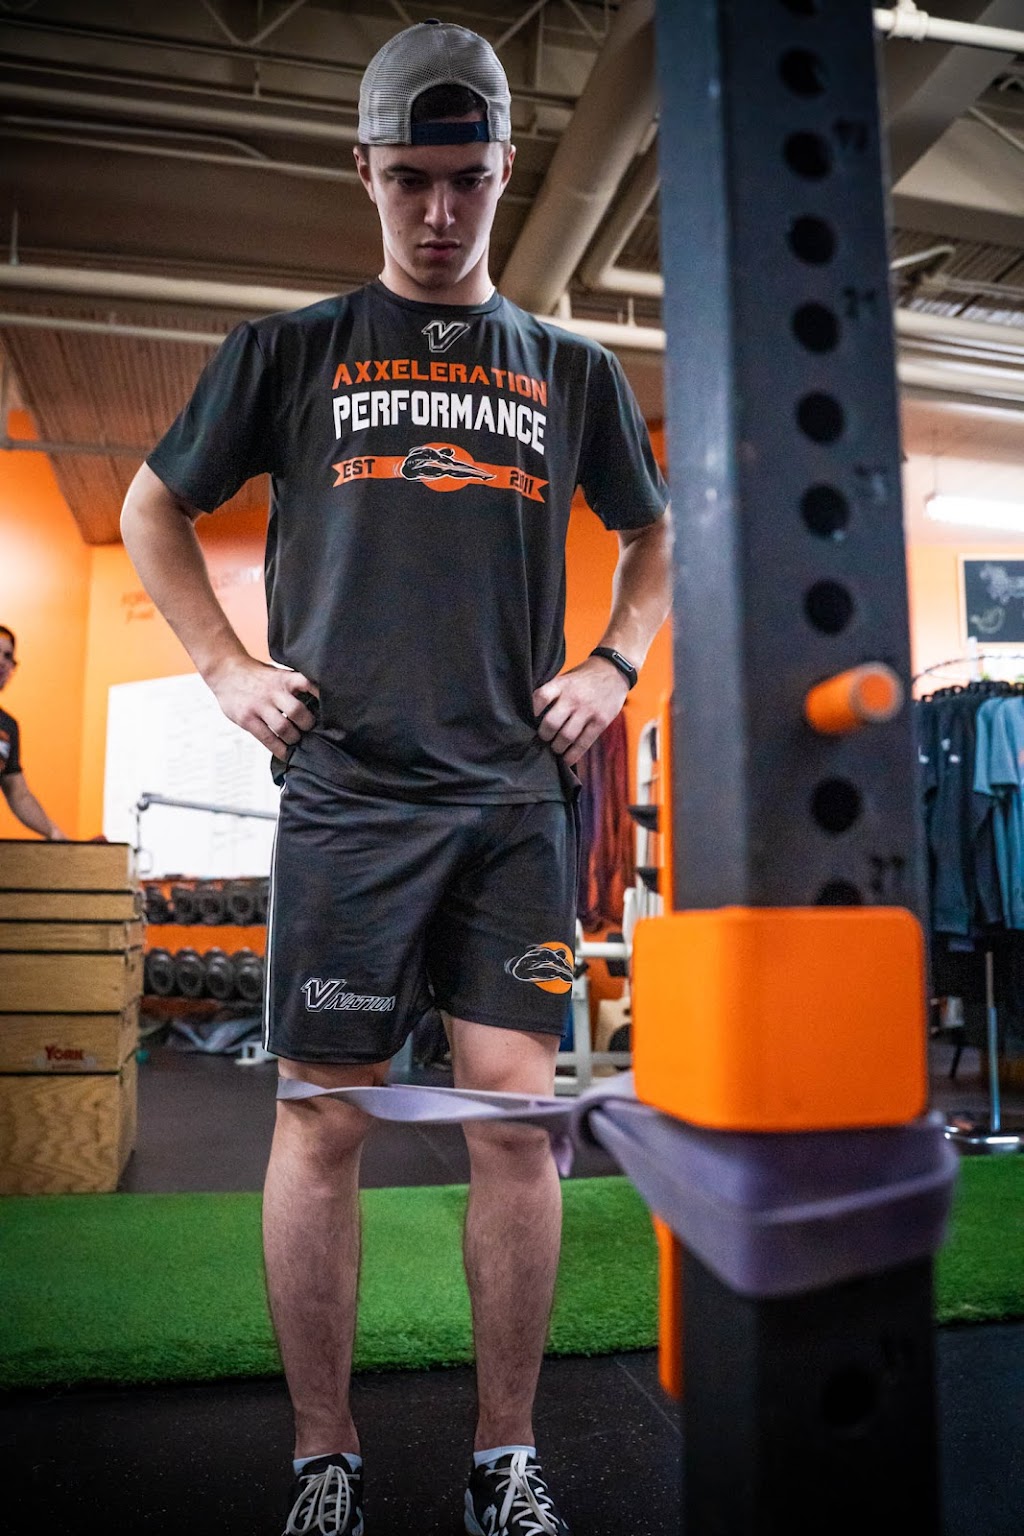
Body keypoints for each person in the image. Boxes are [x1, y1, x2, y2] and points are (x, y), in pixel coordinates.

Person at [120, 19, 672, 1536]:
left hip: (511, 804)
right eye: (412, 179)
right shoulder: (288, 352)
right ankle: (325, 1458)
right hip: (349, 800)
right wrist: (225, 667)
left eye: (469, 181)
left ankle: (505, 1457)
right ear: (363, 170)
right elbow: (153, 505)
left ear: (505, 172)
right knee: (321, 1122)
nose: (440, 213)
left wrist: (614, 662)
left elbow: (654, 534)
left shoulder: (571, 370)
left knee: (517, 1126)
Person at [0, 625, 66, 841]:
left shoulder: (7, 726)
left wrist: (53, 832)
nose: (2, 662)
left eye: (8, 656)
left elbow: (18, 794)